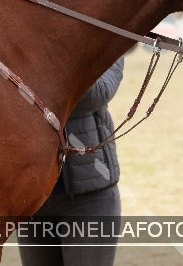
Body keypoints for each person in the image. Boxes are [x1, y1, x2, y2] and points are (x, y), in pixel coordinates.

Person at [17, 57, 124, 266]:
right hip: (32, 202)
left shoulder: (104, 37)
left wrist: (49, 55)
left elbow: (98, 95)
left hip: (89, 200)